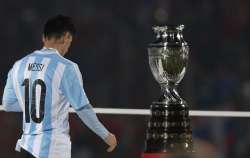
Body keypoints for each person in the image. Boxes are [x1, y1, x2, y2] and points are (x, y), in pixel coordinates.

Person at [2, 14, 117, 158]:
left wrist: (38, 103)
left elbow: (7, 104)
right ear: (66, 37)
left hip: (28, 148)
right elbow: (82, 108)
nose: (68, 48)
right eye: (70, 42)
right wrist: (106, 135)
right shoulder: (66, 68)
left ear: (44, 37)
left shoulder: (18, 66)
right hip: (52, 148)